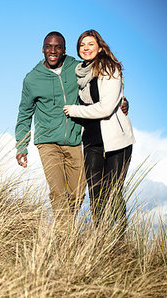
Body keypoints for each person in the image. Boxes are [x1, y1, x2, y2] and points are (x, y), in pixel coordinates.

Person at [63, 30, 135, 233]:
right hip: (91, 140)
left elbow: (106, 107)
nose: (85, 48)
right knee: (95, 192)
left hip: (116, 140)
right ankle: (101, 237)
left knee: (113, 191)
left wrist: (74, 110)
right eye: (82, 45)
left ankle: (119, 238)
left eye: (90, 44)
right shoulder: (81, 73)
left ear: (100, 47)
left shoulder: (109, 68)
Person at [15, 31, 86, 225]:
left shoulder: (77, 68)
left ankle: (65, 227)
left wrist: (122, 100)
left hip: (75, 139)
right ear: (43, 49)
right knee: (57, 191)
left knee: (78, 192)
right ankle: (64, 239)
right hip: (47, 142)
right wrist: (21, 146)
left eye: (57, 47)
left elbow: (99, 87)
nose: (52, 51)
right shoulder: (32, 79)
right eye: (49, 46)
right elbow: (24, 114)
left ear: (64, 50)